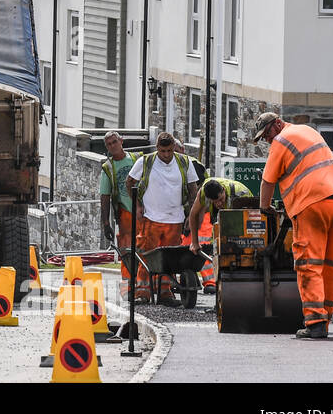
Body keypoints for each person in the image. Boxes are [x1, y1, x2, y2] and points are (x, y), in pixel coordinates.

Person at [253, 112, 333, 339]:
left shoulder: (281, 140)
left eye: (267, 134)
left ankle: (315, 322)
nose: (268, 140)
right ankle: (324, 320)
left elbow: (268, 180)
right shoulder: (308, 131)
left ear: (277, 124)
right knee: (332, 265)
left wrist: (264, 208)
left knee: (309, 263)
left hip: (312, 204)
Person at [125, 132, 198, 305]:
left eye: (170, 151)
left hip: (175, 218)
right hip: (151, 218)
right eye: (163, 151)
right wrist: (137, 205)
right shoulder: (145, 162)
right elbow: (129, 182)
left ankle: (165, 292)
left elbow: (193, 189)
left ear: (174, 148)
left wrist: (190, 214)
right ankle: (143, 292)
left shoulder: (184, 162)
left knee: (170, 259)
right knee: (146, 254)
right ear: (157, 148)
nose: (166, 155)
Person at [186, 177, 253, 292]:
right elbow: (193, 215)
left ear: (223, 190)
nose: (219, 203)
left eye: (221, 199)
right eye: (215, 202)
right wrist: (195, 242)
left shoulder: (240, 193)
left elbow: (253, 222)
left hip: (244, 219)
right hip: (225, 222)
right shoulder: (203, 193)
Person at [98, 131, 141, 300]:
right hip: (125, 214)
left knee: (147, 249)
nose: (112, 146)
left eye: (114, 142)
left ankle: (147, 287)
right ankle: (128, 288)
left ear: (121, 141)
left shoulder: (137, 159)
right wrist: (105, 224)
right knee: (126, 252)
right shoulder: (108, 168)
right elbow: (105, 197)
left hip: (144, 211)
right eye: (109, 144)